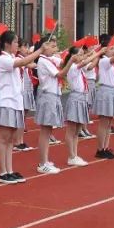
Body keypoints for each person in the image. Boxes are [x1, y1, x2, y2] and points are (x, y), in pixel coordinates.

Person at [0, 31, 41, 184]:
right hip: (6, 102)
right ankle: (2, 172)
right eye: (15, 42)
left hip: (15, 102)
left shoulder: (11, 58)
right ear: (7, 44)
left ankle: (9, 170)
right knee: (4, 138)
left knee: (11, 139)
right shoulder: (2, 59)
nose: (17, 45)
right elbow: (23, 62)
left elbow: (24, 62)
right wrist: (40, 51)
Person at [34, 37, 75, 175]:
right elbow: (61, 73)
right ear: (44, 47)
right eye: (52, 46)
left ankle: (45, 160)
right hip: (48, 96)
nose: (55, 49)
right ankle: (42, 163)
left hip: (53, 95)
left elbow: (62, 62)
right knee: (45, 131)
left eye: (55, 46)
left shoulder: (51, 59)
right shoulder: (43, 61)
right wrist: (71, 61)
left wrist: (72, 55)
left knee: (48, 130)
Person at [63, 45, 102, 167]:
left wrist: (93, 52)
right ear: (73, 57)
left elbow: (86, 59)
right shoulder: (73, 67)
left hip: (82, 98)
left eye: (81, 54)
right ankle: (71, 156)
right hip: (76, 98)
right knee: (71, 129)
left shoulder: (80, 68)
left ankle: (74, 154)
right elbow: (85, 60)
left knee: (77, 130)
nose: (82, 56)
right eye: (79, 54)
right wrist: (98, 52)